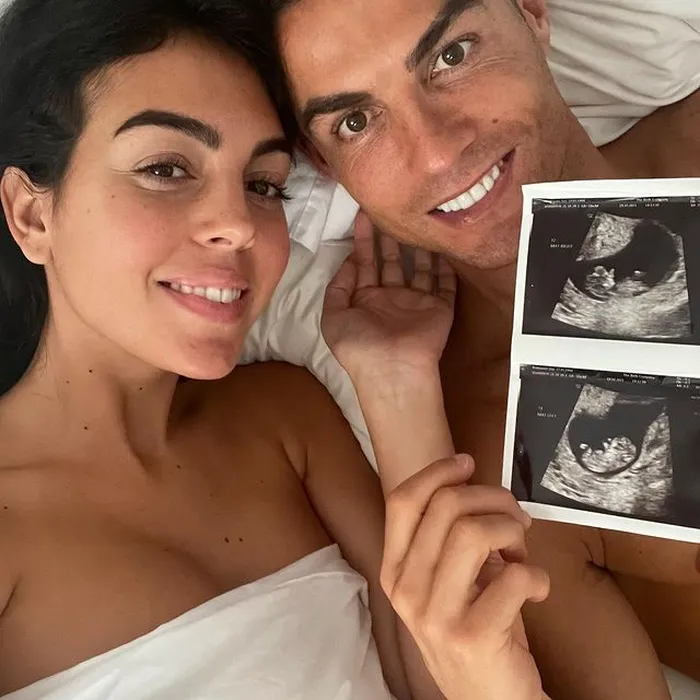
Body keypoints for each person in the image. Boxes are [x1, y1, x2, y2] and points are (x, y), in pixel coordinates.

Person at [0, 0, 553, 698]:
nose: (238, 223)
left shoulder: (287, 421)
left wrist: (396, 377)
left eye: (263, 185)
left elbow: (451, 669)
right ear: (31, 213)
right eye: (166, 169)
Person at [270, 0, 700, 697]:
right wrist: (396, 384)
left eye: (452, 55)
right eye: (355, 121)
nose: (438, 152)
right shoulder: (507, 476)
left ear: (532, 14)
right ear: (325, 162)